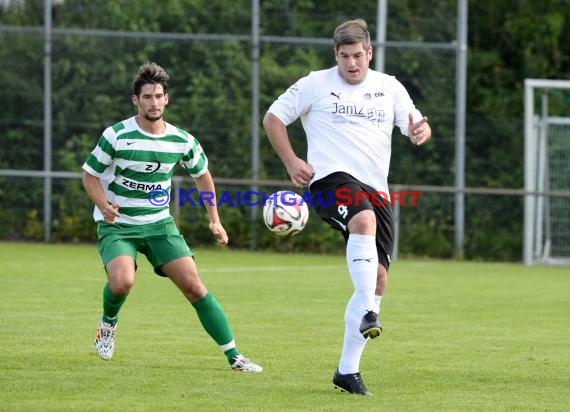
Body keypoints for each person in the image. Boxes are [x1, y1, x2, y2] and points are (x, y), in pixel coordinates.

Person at [263, 18, 431, 395]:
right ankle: (369, 311)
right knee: (363, 220)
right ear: (335, 55)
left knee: (380, 279)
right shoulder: (315, 83)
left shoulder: (389, 87)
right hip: (328, 180)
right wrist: (291, 161)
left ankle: (347, 372)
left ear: (369, 53)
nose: (352, 63)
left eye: (358, 56)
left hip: (377, 190)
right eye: (344, 56)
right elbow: (273, 118)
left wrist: (422, 130)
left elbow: (416, 123)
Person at [82, 62, 262, 372]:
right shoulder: (116, 135)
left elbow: (203, 176)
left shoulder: (181, 141)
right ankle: (107, 327)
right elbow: (89, 175)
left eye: (158, 96)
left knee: (194, 286)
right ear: (135, 100)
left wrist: (214, 219)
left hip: (159, 225)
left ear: (167, 99)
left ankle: (235, 357)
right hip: (118, 225)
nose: (153, 102)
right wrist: (104, 204)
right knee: (123, 282)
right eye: (147, 96)